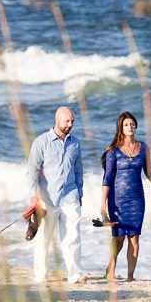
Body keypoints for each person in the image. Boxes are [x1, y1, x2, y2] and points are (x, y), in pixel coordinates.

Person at [100, 111, 151, 281]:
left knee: (134, 237)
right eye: (126, 124)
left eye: (132, 124)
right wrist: (103, 203)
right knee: (118, 237)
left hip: (137, 200)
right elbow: (108, 178)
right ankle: (110, 269)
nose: (130, 127)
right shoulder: (113, 151)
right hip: (117, 200)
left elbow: (150, 173)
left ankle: (130, 276)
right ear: (120, 127)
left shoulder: (143, 148)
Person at [27, 106, 88, 283]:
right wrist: (33, 196)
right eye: (66, 121)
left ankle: (75, 275)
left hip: (70, 196)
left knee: (73, 237)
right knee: (44, 239)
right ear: (57, 120)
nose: (70, 124)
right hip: (47, 198)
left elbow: (78, 170)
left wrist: (80, 192)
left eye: (72, 121)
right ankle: (40, 275)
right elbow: (32, 170)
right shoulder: (41, 142)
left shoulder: (75, 143)